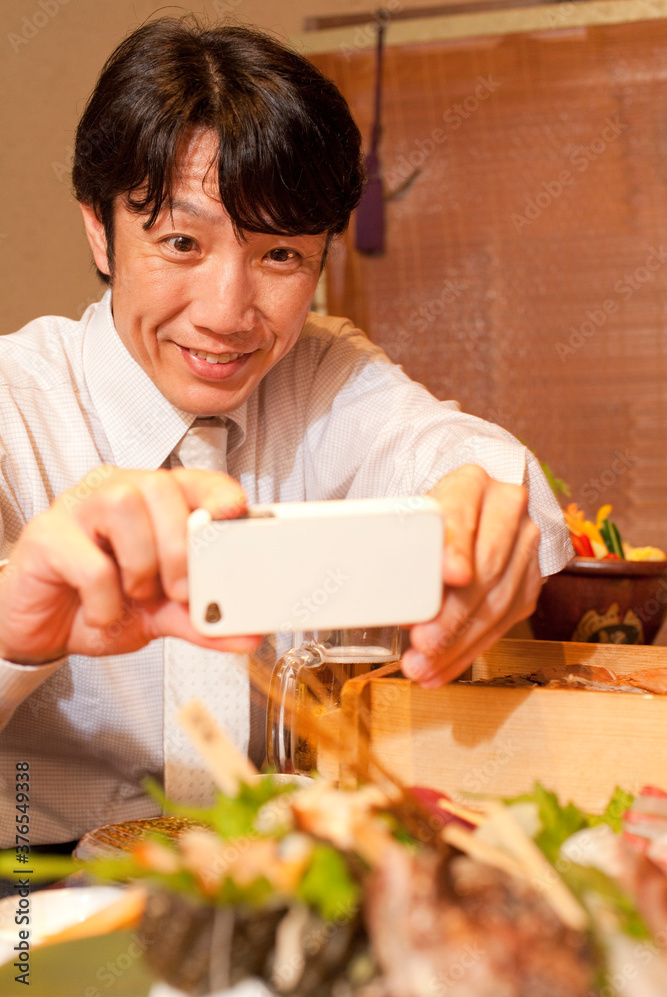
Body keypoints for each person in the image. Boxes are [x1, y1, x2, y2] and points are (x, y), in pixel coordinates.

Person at [0, 16, 571, 846]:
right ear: (100, 229)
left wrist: (484, 508)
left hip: (278, 871)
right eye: (181, 242)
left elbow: (454, 453)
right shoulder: (14, 402)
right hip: (32, 883)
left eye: (281, 257)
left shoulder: (320, 371)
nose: (226, 315)